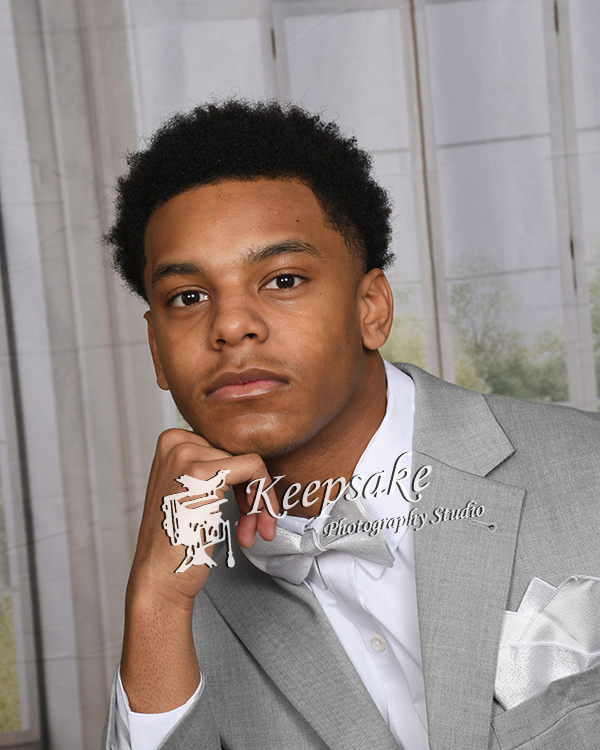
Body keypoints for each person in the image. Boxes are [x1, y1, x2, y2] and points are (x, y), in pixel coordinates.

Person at [101, 100, 600, 750]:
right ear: (156, 350)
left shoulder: (587, 468)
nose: (230, 325)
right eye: (188, 297)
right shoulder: (177, 604)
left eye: (282, 280)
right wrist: (156, 608)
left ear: (372, 309)